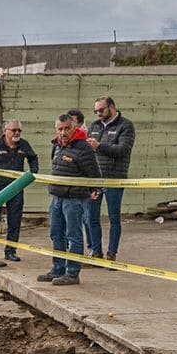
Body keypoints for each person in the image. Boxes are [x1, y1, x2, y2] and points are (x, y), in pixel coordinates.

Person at [40, 113, 101, 286]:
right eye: (60, 129)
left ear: (74, 128)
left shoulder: (84, 148)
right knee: (56, 234)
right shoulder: (57, 146)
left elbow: (95, 175)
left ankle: (73, 273)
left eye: (67, 128)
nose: (63, 132)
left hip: (74, 199)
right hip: (57, 197)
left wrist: (95, 190)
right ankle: (58, 269)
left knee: (73, 235)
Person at [0, 120, 38, 261]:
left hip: (16, 188)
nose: (17, 133)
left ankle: (10, 251)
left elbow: (33, 158)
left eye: (19, 130)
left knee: (14, 221)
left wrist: (33, 173)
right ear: (5, 131)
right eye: (13, 130)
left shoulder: (24, 145)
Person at [89, 96, 136, 260]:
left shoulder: (126, 126)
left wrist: (99, 146)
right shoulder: (94, 126)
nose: (98, 114)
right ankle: (96, 252)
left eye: (101, 110)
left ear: (112, 108)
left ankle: (112, 253)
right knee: (91, 217)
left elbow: (122, 150)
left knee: (114, 217)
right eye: (96, 111)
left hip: (114, 178)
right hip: (95, 179)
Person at [66, 107, 102, 257]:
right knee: (76, 221)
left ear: (79, 123)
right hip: (72, 188)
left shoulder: (85, 141)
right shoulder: (66, 140)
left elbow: (91, 167)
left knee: (89, 219)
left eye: (72, 123)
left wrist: (93, 188)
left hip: (86, 187)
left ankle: (94, 249)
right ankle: (85, 249)